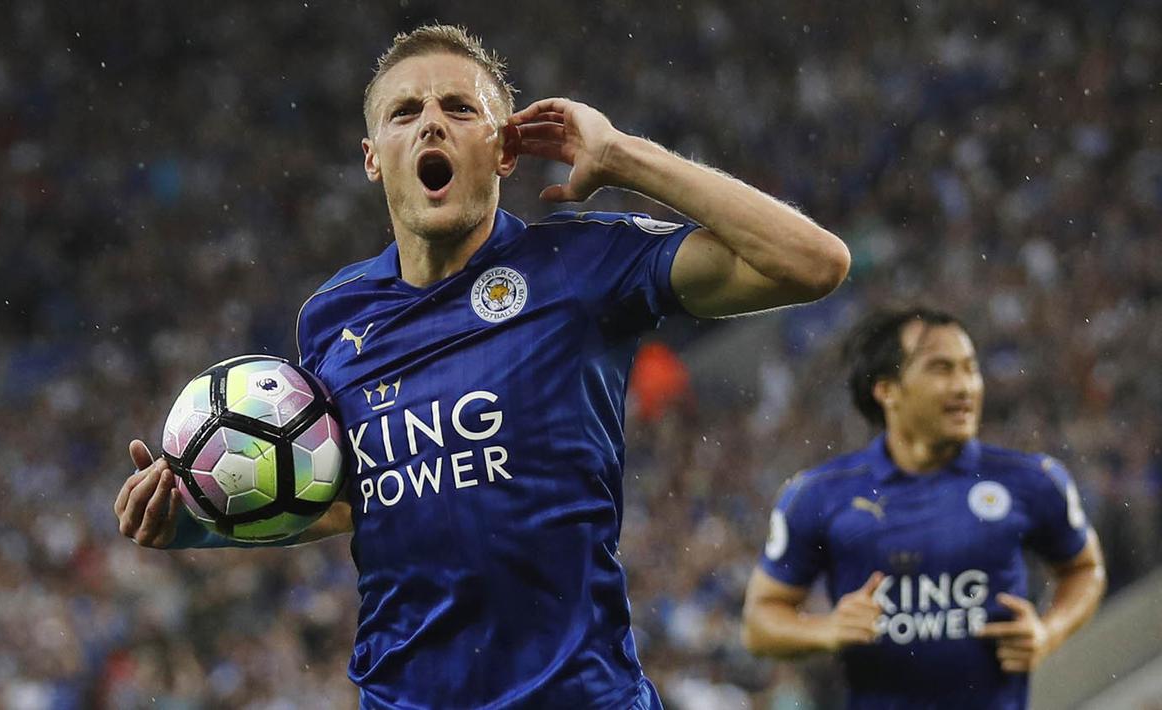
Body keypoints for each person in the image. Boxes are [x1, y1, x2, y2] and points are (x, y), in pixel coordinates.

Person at [115, 23, 850, 709]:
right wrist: (206, 525)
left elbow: (811, 263)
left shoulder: (579, 266)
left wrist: (624, 155)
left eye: (459, 108)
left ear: (504, 150)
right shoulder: (333, 317)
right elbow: (352, 497)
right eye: (404, 112)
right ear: (374, 158)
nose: (430, 121)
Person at [741, 308, 1107, 709]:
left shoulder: (1031, 480)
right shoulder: (820, 495)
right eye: (941, 369)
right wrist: (826, 631)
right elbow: (759, 624)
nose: (964, 386)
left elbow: (1084, 570)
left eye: (971, 369)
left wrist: (1048, 632)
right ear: (887, 390)